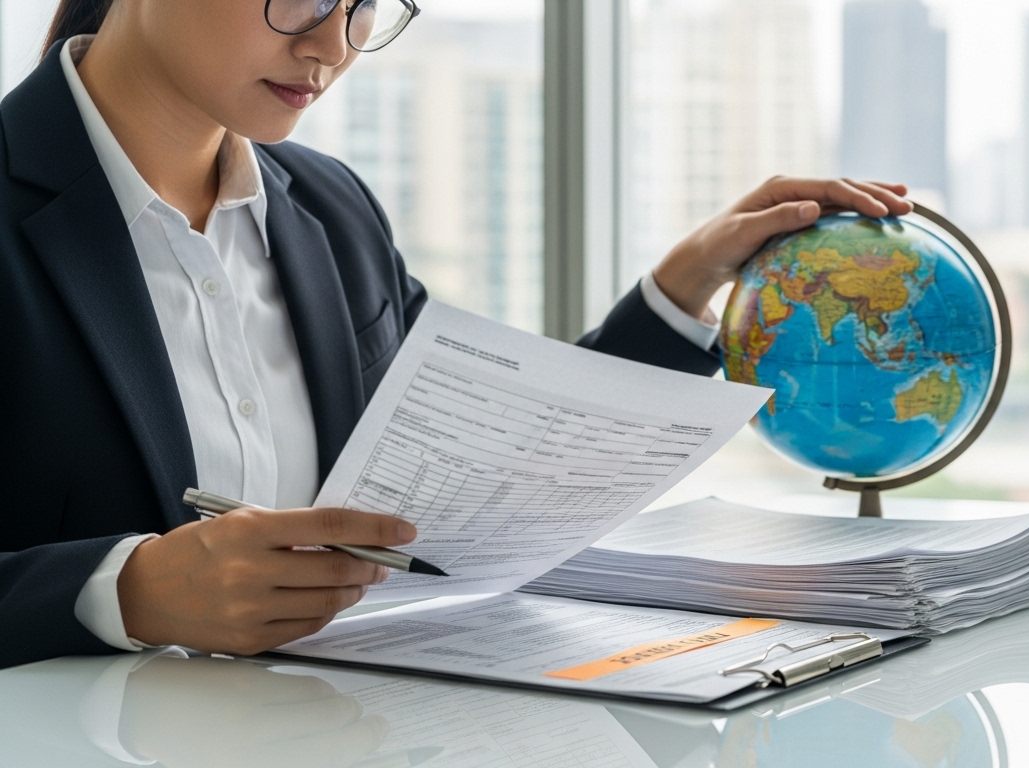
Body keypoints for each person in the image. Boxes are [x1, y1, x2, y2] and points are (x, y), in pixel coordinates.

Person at [0, 0, 912, 669]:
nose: (332, 44)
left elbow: (484, 462)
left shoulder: (329, 208)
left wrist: (688, 281)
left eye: (365, 7)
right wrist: (124, 589)